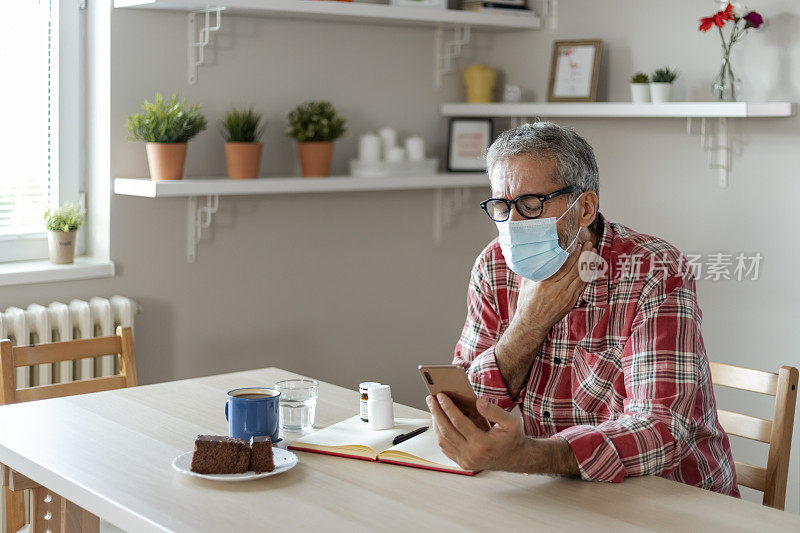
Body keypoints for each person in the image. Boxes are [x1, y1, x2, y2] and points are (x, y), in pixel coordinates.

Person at [426, 122, 738, 496]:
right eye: (500, 206)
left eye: (529, 205)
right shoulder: (493, 266)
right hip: (559, 491)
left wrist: (531, 456)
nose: (512, 224)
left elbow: (662, 428)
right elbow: (468, 411)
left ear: (585, 207)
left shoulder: (654, 270)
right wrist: (529, 324)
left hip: (671, 496)